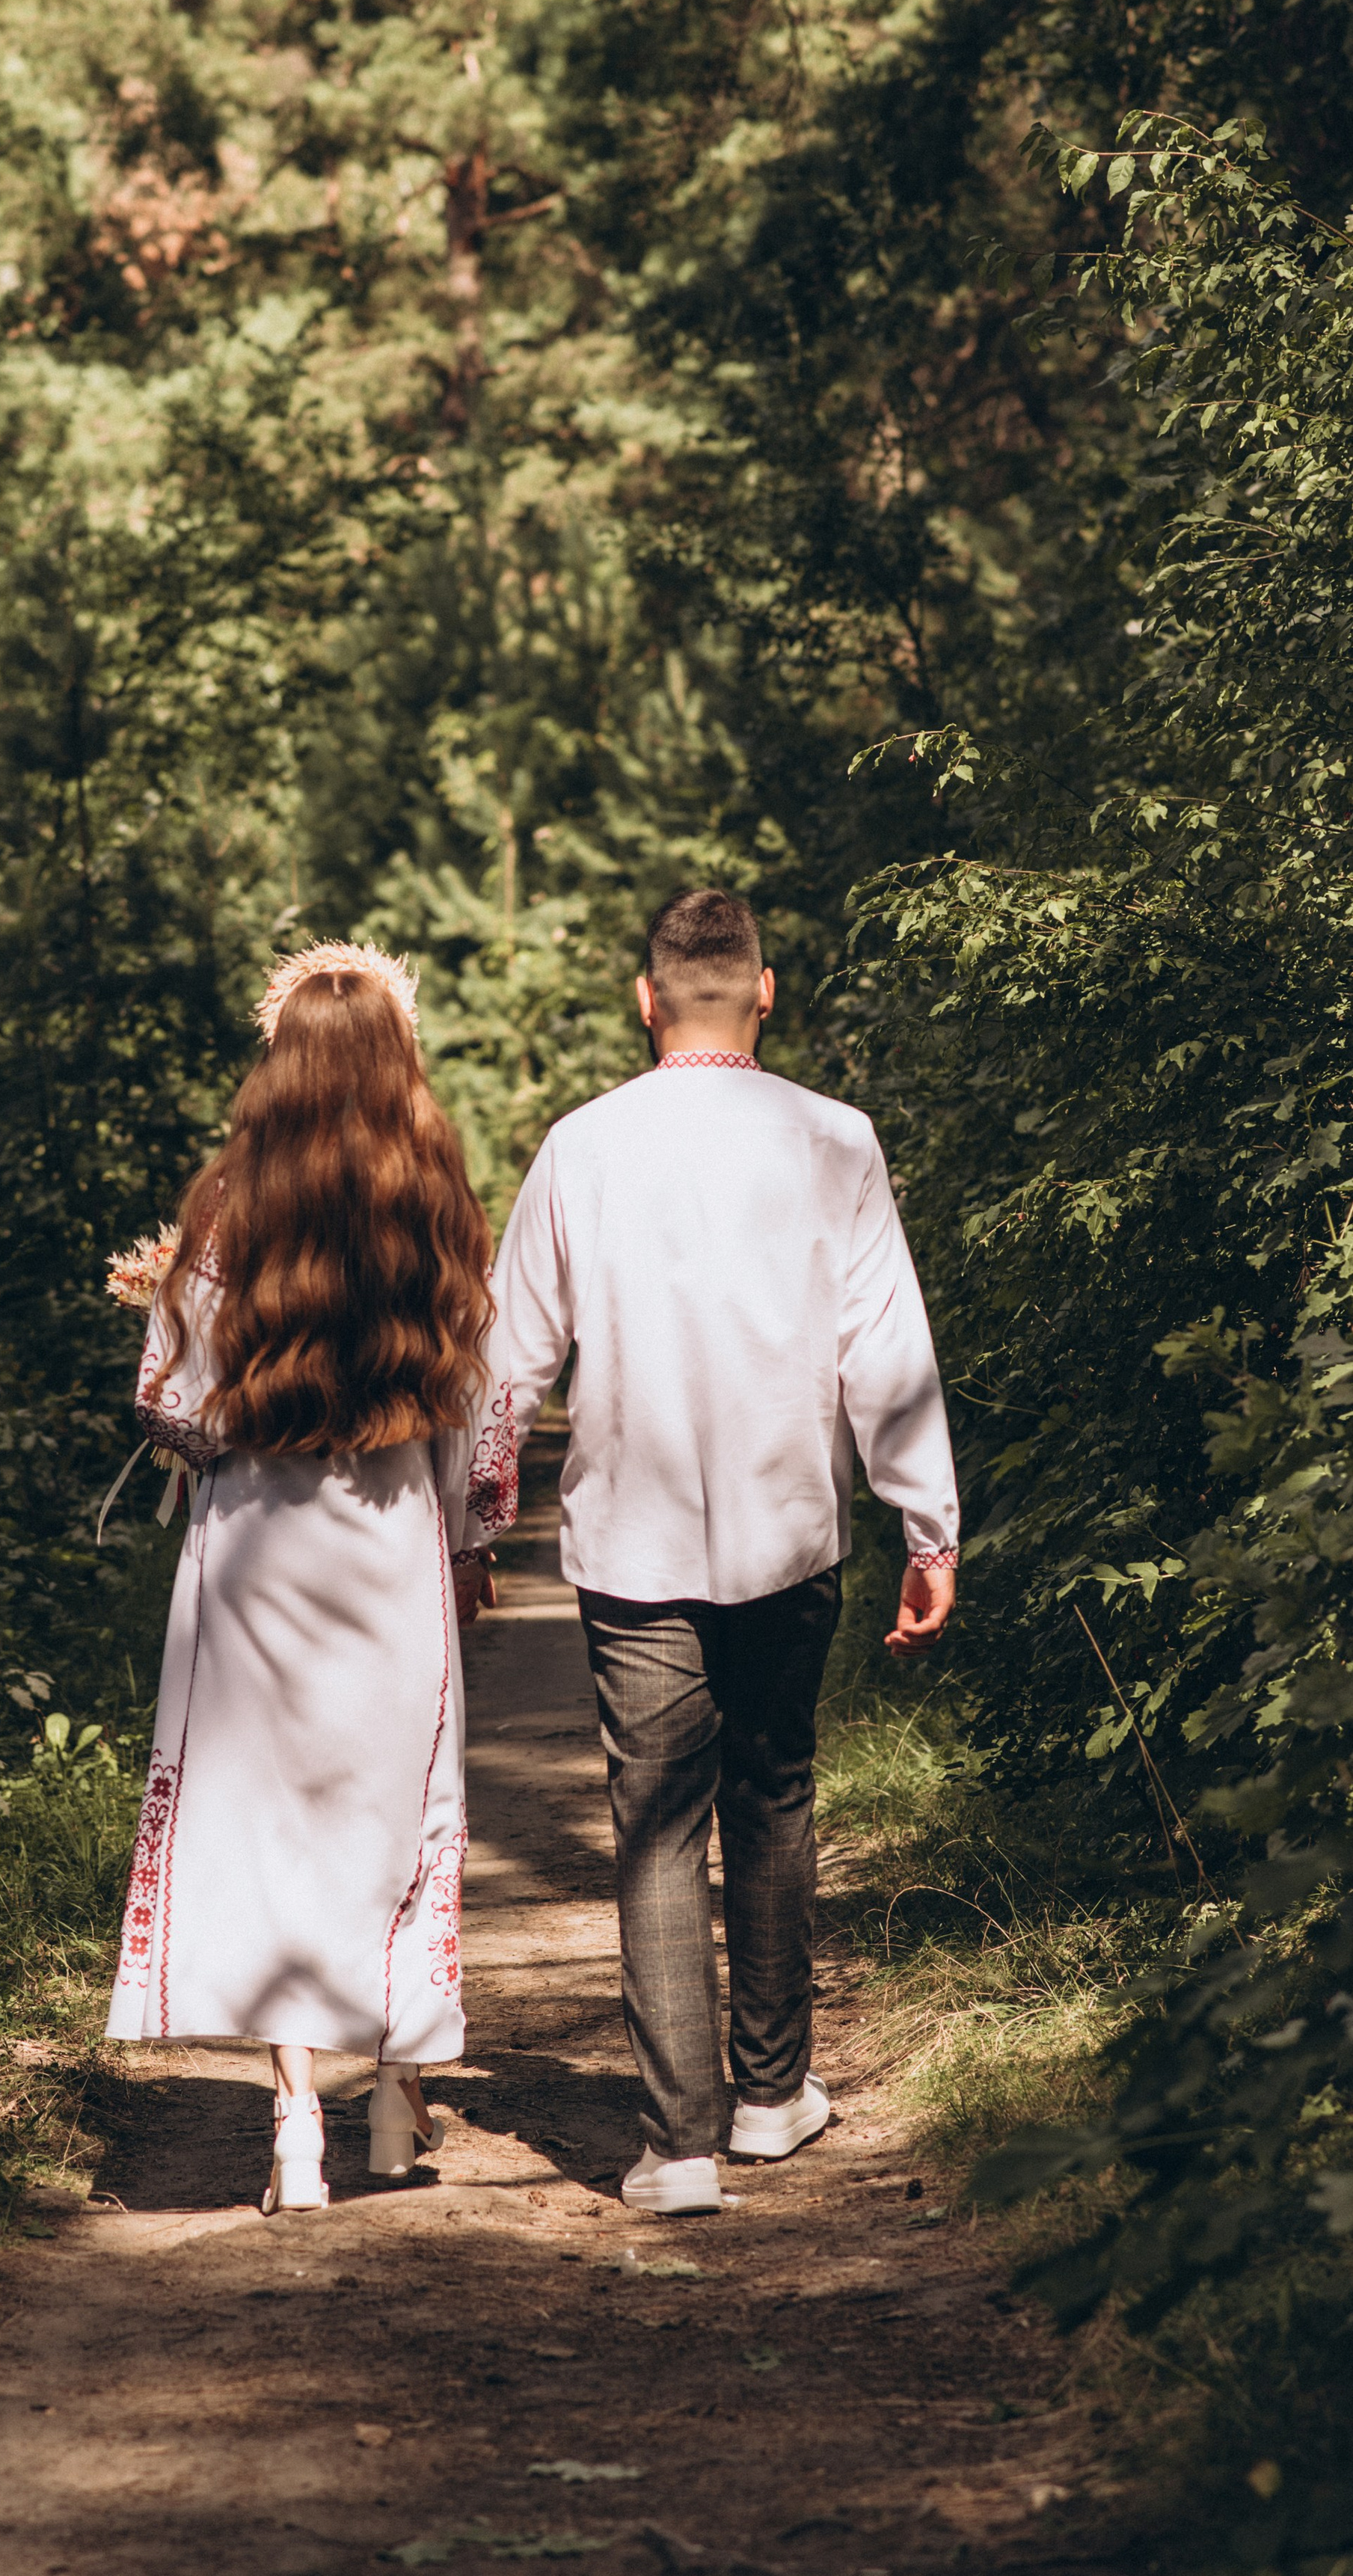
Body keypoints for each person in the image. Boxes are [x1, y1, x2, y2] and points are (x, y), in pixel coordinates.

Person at [488, 889, 958, 2215]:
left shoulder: (580, 1147)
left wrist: (472, 1529)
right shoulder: (835, 1139)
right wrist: (929, 1526)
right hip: (791, 1529)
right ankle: (769, 2099)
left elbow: (506, 1365)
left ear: (646, 1001)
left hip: (630, 1546)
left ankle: (676, 2148)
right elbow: (889, 1352)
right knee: (773, 1797)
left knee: (653, 1823)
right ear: (766, 989)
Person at [105, 942, 516, 2215]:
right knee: (395, 1810)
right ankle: (394, 2084)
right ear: (400, 1056)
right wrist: (466, 1544)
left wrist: (172, 1338)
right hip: (388, 1532)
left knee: (272, 1823)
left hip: (256, 1546)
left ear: (274, 1061)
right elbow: (472, 1405)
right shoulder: (435, 1197)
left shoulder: (228, 1205)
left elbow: (169, 1405)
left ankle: (296, 2125)